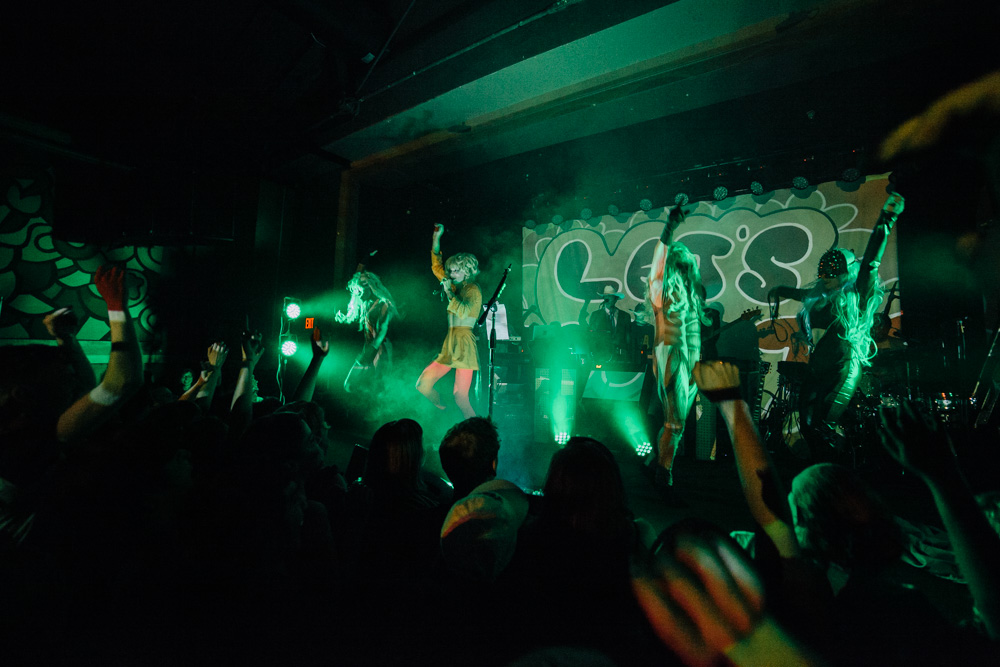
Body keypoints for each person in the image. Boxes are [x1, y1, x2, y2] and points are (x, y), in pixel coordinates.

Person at [768, 192, 904, 452]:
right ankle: (826, 469)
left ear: (847, 272)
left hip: (842, 367)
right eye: (823, 273)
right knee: (807, 424)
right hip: (817, 367)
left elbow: (871, 263)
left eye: (832, 273)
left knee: (822, 425)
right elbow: (801, 294)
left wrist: (886, 218)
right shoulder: (819, 296)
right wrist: (780, 290)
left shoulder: (857, 295)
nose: (826, 277)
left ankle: (839, 470)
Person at [644, 205, 705, 494]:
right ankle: (663, 475)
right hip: (671, 354)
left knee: (675, 423)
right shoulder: (661, 291)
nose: (684, 271)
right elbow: (657, 267)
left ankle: (657, 465)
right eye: (679, 265)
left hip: (690, 359)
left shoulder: (692, 298)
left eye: (686, 266)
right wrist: (669, 227)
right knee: (675, 423)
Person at [416, 224, 482, 418]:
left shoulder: (473, 290)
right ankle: (444, 412)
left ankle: (477, 429)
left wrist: (448, 292)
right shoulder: (454, 287)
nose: (450, 274)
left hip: (464, 342)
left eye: (455, 271)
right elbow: (436, 265)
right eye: (450, 271)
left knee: (461, 397)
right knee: (422, 384)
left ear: (466, 272)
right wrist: (436, 238)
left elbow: (464, 312)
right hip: (450, 341)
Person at [336, 269, 396, 394]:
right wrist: (344, 318)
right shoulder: (366, 304)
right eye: (356, 291)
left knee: (379, 388)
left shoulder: (383, 304)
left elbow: (382, 331)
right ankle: (367, 398)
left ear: (370, 287)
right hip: (369, 348)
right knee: (350, 385)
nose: (358, 294)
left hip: (380, 349)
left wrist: (369, 352)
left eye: (360, 290)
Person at [588, 285, 632, 363]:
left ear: (615, 299)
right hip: (602, 354)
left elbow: (628, 336)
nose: (607, 298)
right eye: (605, 296)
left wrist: (627, 352)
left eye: (610, 296)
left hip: (620, 356)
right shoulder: (596, 315)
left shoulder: (625, 316)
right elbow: (591, 334)